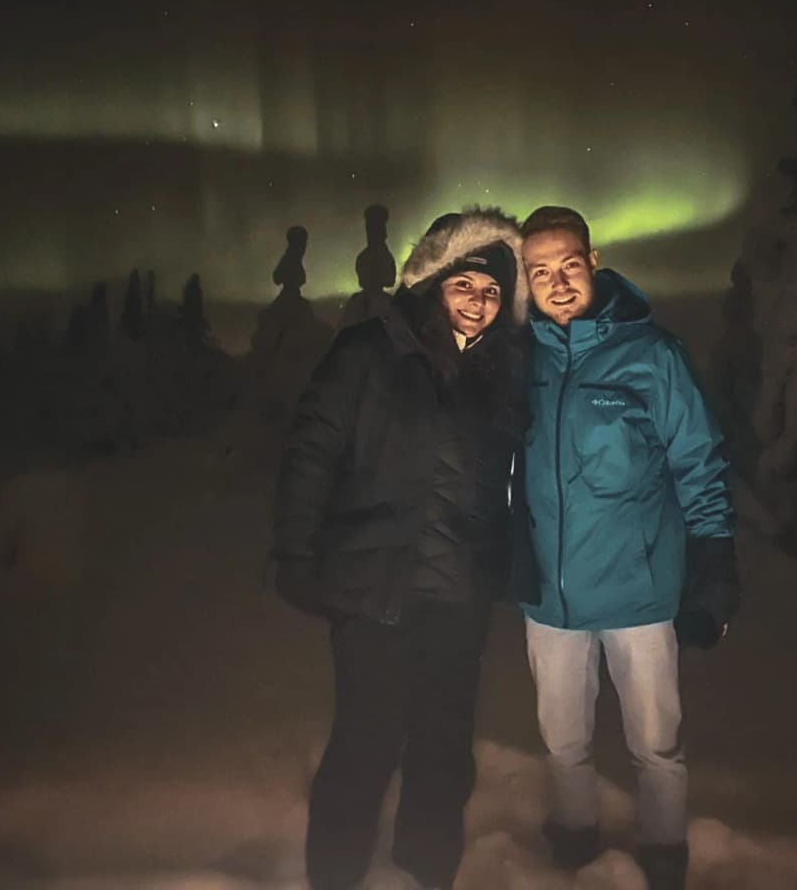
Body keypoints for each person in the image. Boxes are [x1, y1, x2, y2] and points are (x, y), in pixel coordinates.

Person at [271, 207, 528, 890]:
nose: (477, 304)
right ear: (433, 284)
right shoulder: (369, 353)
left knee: (442, 753)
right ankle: (334, 877)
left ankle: (424, 876)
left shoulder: (502, 375)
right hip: (373, 588)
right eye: (463, 286)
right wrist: (295, 553)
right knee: (365, 744)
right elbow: (312, 452)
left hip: (457, 599)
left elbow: (516, 480)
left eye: (492, 293)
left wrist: (509, 565)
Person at [512, 205, 739, 890]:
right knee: (563, 741)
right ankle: (575, 838)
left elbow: (700, 462)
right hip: (550, 595)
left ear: (595, 261)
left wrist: (715, 564)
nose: (556, 282)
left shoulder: (652, 355)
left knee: (656, 744)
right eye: (539, 270)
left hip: (639, 592)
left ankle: (665, 850)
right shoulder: (518, 362)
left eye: (569, 265)